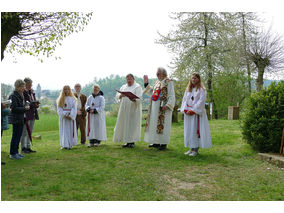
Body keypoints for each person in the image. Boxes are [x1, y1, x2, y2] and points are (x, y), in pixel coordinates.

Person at [143, 67, 175, 150]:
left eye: (158, 73)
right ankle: (156, 142)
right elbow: (152, 93)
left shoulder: (168, 81)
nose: (156, 75)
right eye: (156, 73)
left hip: (163, 108)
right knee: (154, 124)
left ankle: (163, 143)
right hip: (155, 107)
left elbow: (171, 94)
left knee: (163, 125)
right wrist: (146, 84)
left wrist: (168, 105)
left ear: (163, 74)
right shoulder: (157, 82)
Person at [180, 73, 212, 156]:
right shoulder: (188, 89)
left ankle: (195, 150)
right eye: (192, 78)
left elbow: (201, 101)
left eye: (195, 78)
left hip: (196, 113)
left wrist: (193, 110)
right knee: (189, 131)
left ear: (198, 79)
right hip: (188, 112)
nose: (193, 80)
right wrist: (185, 109)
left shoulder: (202, 89)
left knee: (195, 131)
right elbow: (184, 100)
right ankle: (191, 148)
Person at [113, 74, 142, 148]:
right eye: (127, 79)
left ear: (133, 79)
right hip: (124, 109)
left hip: (133, 109)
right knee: (125, 125)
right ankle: (126, 141)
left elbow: (139, 98)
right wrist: (120, 96)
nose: (128, 80)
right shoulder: (123, 87)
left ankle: (131, 141)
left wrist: (134, 99)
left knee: (131, 125)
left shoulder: (137, 87)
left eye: (130, 79)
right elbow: (117, 96)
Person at [8, 79, 30, 159]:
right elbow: (14, 108)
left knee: (18, 136)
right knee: (15, 136)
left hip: (20, 118)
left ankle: (16, 152)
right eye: (22, 86)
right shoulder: (13, 96)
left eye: (24, 86)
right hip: (16, 119)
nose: (24, 88)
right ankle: (12, 153)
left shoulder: (20, 95)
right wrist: (25, 108)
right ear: (17, 87)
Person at [20, 77, 39, 154]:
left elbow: (33, 100)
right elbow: (24, 103)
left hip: (33, 113)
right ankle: (23, 147)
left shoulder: (32, 92)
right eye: (29, 84)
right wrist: (32, 104)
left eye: (31, 84)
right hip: (26, 114)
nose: (30, 86)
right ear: (25, 84)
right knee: (24, 131)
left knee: (30, 131)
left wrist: (36, 104)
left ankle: (28, 146)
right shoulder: (22, 93)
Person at [57, 85, 78, 149]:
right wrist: (64, 115)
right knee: (64, 131)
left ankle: (70, 144)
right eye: (65, 89)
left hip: (70, 117)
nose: (66, 90)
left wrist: (71, 115)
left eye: (68, 89)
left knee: (70, 130)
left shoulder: (73, 99)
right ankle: (64, 144)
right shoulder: (60, 99)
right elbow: (59, 109)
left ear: (70, 90)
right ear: (63, 90)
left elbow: (74, 108)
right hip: (64, 118)